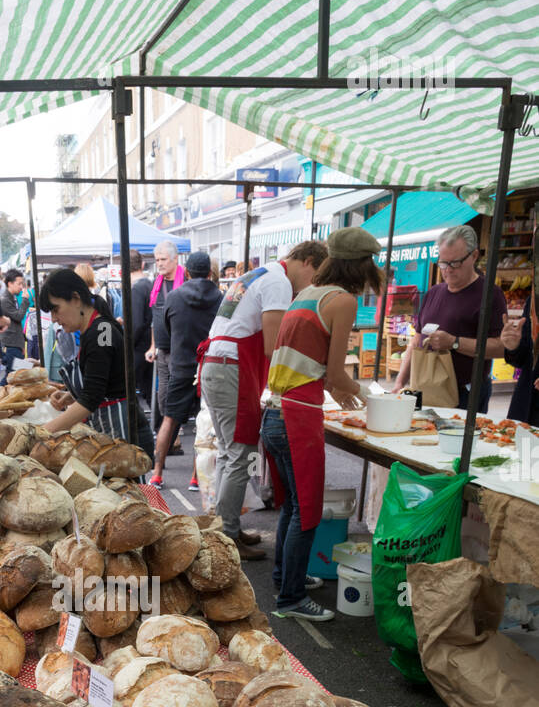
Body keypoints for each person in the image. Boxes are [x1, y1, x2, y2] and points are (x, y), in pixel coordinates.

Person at [264, 227, 384, 622]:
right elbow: (336, 375)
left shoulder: (306, 294)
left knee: (293, 508)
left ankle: (287, 580)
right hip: (298, 417)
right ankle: (291, 599)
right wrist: (372, 398)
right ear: (363, 265)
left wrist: (345, 389)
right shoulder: (343, 301)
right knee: (308, 512)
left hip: (275, 413)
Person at [198, 240, 328, 555]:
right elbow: (274, 345)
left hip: (218, 364)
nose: (314, 285)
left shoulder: (260, 273)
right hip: (232, 368)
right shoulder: (279, 283)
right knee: (237, 455)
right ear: (308, 262)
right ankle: (227, 536)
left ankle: (227, 529)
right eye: (317, 276)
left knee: (230, 454)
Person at [393, 225, 506, 414]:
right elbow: (415, 341)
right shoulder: (433, 293)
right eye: (443, 263)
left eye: (455, 263)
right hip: (425, 389)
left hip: (465, 393)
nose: (448, 270)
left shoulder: (490, 295)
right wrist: (399, 382)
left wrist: (454, 343)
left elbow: (501, 347)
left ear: (474, 256)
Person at [150, 251, 222, 488]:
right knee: (204, 424)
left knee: (169, 420)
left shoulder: (173, 297)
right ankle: (195, 477)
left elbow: (166, 330)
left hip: (180, 366)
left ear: (187, 272)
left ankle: (157, 474)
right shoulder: (221, 298)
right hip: (209, 367)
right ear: (210, 273)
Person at [39, 268, 130, 439]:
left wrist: (43, 432)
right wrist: (71, 396)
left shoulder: (102, 332)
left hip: (120, 430)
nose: (53, 319)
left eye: (55, 309)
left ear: (75, 299)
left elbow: (92, 398)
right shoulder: (92, 330)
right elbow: (101, 383)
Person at [145, 240, 186, 434]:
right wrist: (153, 346)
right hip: (162, 348)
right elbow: (155, 317)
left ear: (175, 259)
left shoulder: (185, 281)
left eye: (163, 259)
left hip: (180, 350)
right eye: (157, 260)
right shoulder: (157, 283)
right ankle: (170, 434)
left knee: (175, 395)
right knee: (163, 397)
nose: (159, 263)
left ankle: (174, 436)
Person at [501, 293, 539, 426]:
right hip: (526, 408)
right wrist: (513, 347)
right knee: (521, 445)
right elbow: (524, 358)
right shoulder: (534, 300)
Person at [129, 250, 153, 411]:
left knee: (131, 390)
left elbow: (136, 324)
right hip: (149, 344)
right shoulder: (150, 284)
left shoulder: (137, 289)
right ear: (142, 264)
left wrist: (127, 344)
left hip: (139, 347)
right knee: (148, 390)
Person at [0, 268, 30, 379]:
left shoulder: (11, 298)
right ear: (10, 283)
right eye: (19, 284)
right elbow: (18, 316)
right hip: (10, 345)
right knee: (12, 377)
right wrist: (25, 300)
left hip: (15, 344)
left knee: (15, 376)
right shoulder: (4, 300)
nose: (21, 287)